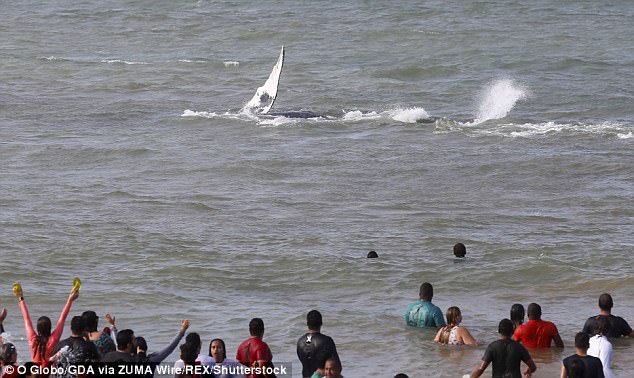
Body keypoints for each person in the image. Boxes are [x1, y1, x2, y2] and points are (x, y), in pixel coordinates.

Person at [14, 283, 79, 367]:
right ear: (50, 328)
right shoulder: (53, 340)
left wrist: (21, 298)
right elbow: (62, 319)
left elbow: (26, 319)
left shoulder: (33, 340)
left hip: (34, 374)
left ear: (38, 329)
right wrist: (70, 300)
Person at [471, 319, 536, 378]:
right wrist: (528, 371)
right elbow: (533, 367)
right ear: (513, 331)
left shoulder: (492, 347)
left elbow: (481, 368)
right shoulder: (519, 347)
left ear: (499, 331)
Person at [297, 310, 340, 378]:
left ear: (307, 323)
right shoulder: (327, 341)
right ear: (321, 323)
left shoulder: (300, 342)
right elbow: (337, 367)